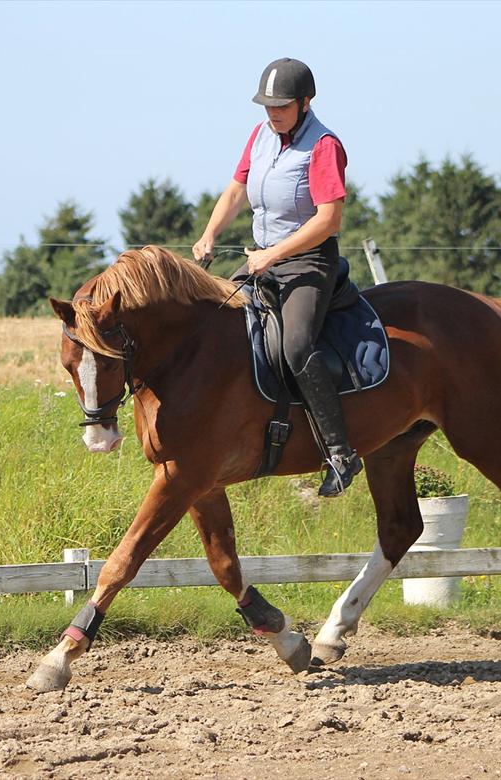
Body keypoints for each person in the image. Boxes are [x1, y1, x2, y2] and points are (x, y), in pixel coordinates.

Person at [193, 57, 362, 497]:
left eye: (282, 106)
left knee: (295, 343)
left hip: (308, 262)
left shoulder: (324, 146)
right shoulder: (260, 137)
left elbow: (328, 221)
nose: (272, 113)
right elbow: (235, 190)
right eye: (267, 105)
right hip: (261, 259)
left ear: (305, 103)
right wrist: (210, 233)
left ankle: (341, 453)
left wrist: (275, 254)